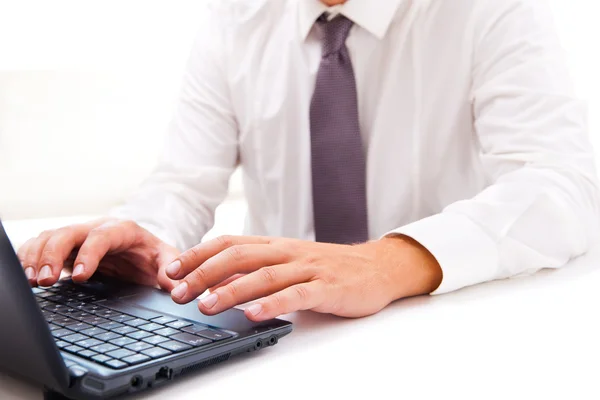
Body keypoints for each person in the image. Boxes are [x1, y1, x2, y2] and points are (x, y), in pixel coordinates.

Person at [18, 0, 599, 322]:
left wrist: (386, 263)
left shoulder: (492, 11)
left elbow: (564, 184)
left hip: (442, 324)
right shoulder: (235, 21)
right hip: (279, 333)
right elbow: (184, 184)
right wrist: (146, 234)